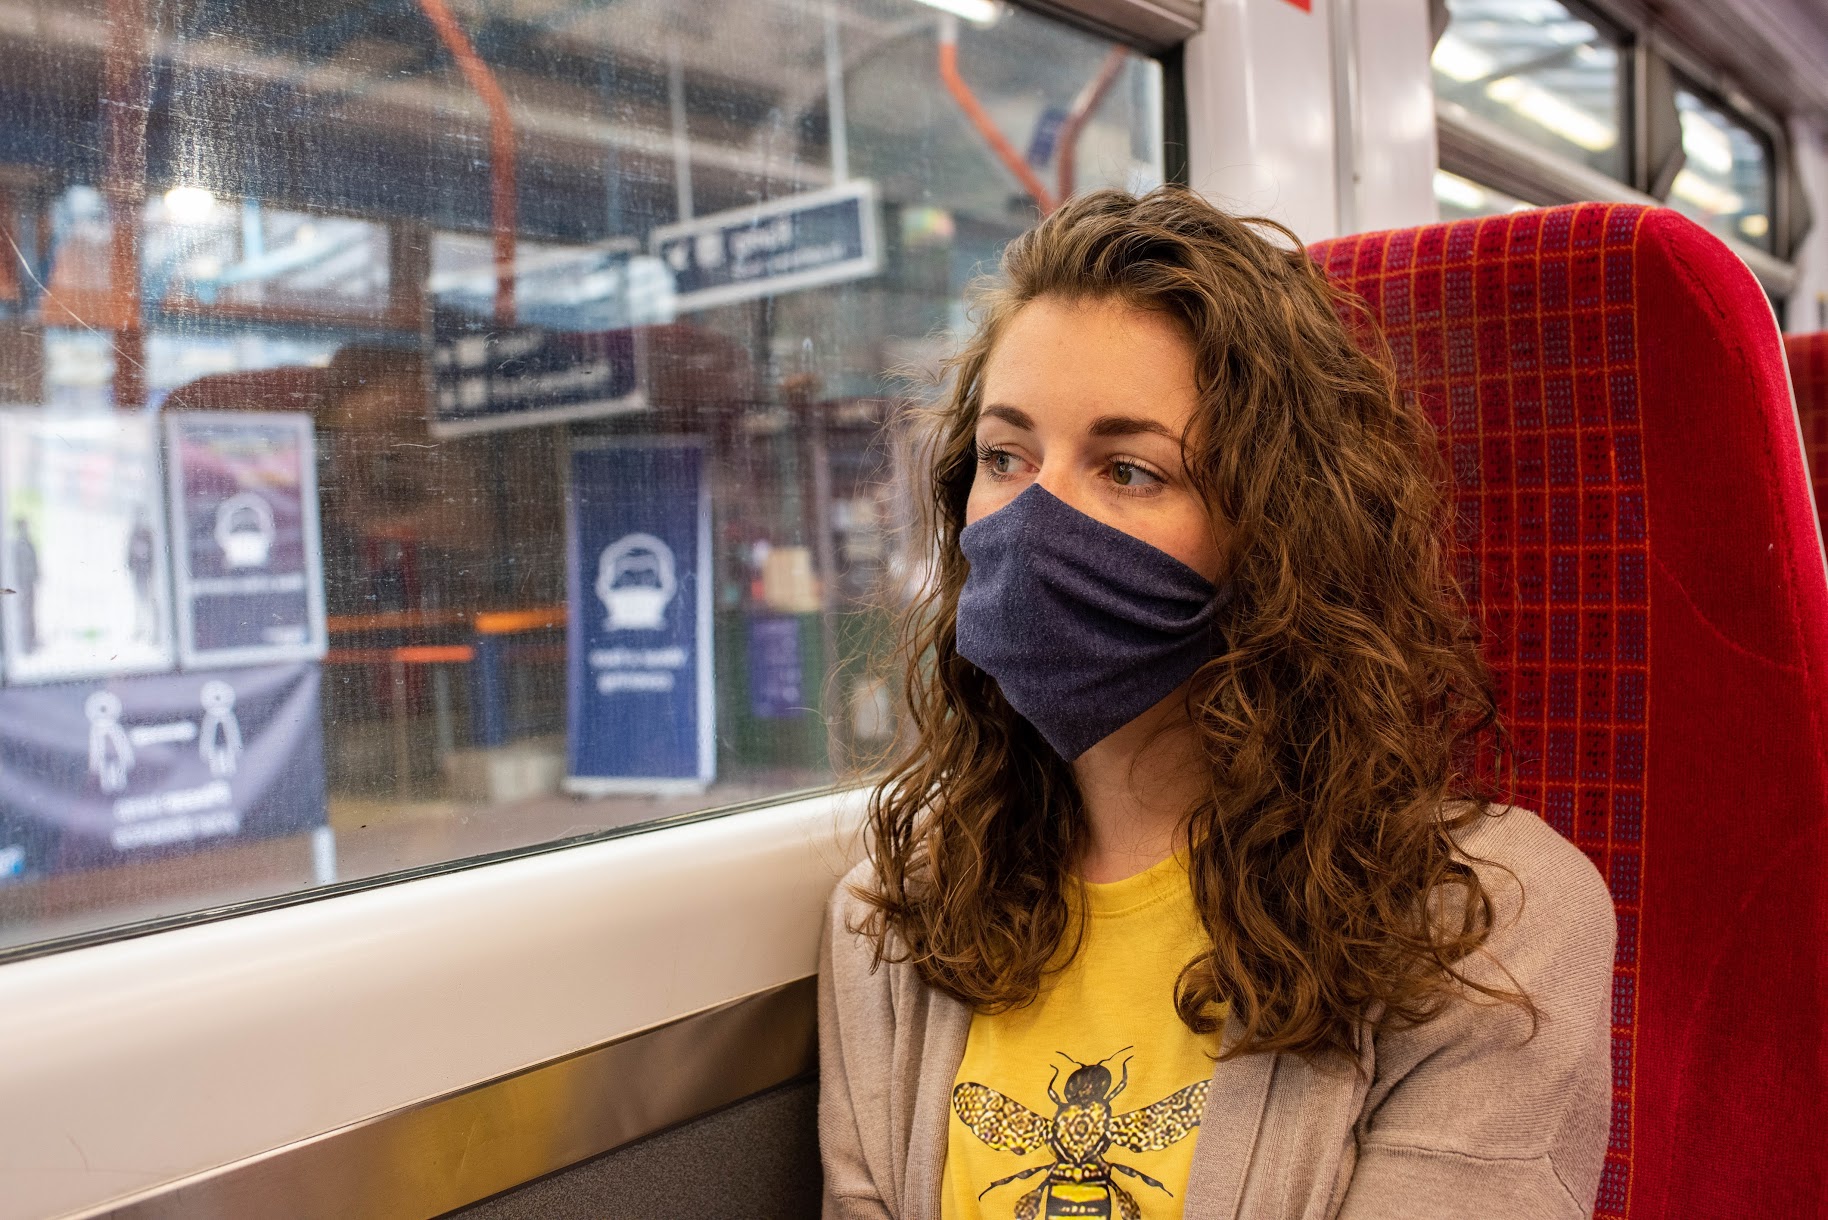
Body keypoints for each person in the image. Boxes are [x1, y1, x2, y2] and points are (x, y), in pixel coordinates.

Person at [818, 188, 1615, 1219]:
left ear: (1275, 532)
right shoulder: (896, 908)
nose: (1031, 520)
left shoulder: (1487, 925)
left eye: (1130, 469)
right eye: (1006, 456)